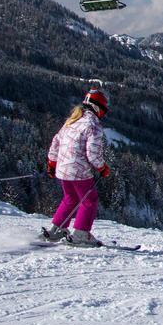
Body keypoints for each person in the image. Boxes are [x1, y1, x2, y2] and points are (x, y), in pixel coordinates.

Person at [40, 89, 111, 246]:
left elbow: (55, 142)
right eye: (104, 110)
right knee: (89, 200)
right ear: (98, 108)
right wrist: (102, 167)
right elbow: (92, 153)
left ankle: (56, 230)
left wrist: (52, 163)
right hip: (79, 170)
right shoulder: (93, 125)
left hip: (62, 168)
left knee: (70, 198)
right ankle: (81, 233)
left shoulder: (71, 120)